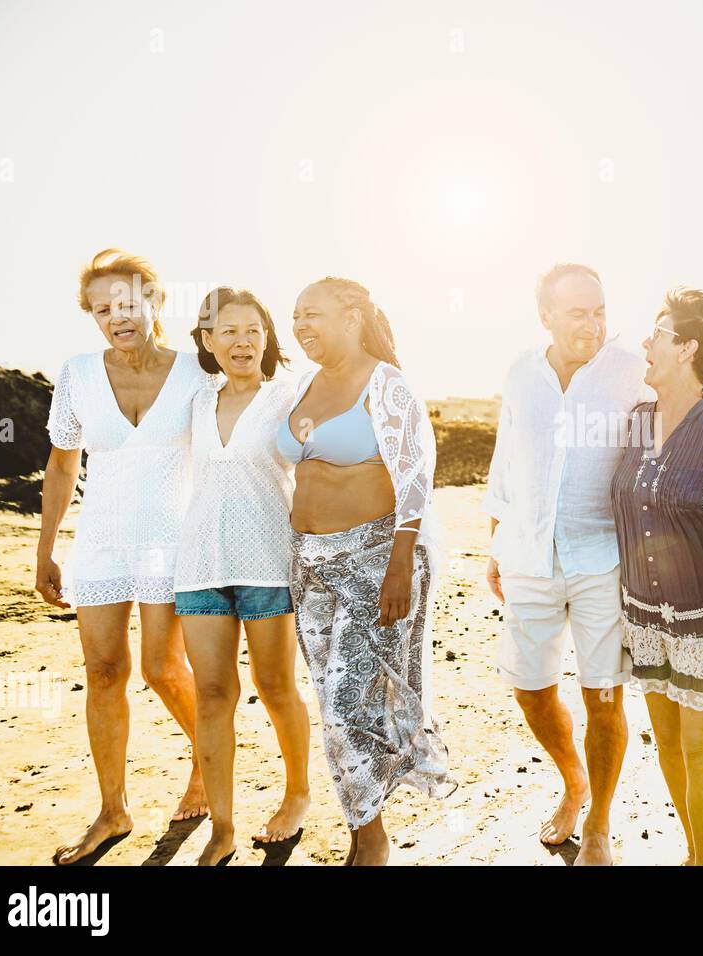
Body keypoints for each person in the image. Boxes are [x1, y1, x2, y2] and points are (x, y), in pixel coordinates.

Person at [37, 248, 218, 864]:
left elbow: (231, 449)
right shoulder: (78, 373)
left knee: (163, 670)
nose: (117, 316)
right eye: (102, 308)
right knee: (104, 672)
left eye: (128, 302)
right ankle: (113, 810)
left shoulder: (199, 372)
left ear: (156, 302)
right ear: (91, 316)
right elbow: (62, 465)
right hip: (101, 543)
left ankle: (207, 763)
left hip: (174, 541)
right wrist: (47, 549)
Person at [482, 263, 652, 865]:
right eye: (578, 312)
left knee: (604, 696)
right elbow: (507, 457)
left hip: (603, 557)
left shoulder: (633, 368)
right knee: (530, 689)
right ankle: (573, 780)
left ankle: (600, 821)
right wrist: (496, 541)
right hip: (528, 552)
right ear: (546, 316)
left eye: (600, 309)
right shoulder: (521, 373)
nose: (593, 323)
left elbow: (656, 452)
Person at [279, 276, 452, 866]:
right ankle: (362, 826)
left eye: (314, 314)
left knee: (352, 701)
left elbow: (415, 477)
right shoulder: (302, 385)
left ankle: (371, 839)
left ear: (353, 317)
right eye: (296, 315)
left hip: (376, 557)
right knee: (333, 700)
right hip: (309, 563)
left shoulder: (387, 385)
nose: (301, 325)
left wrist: (401, 565)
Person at [609, 288, 703, 866]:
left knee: (702, 747)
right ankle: (694, 852)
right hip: (641, 614)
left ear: (688, 346)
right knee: (666, 742)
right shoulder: (637, 421)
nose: (646, 341)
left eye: (658, 332)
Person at [173, 287, 311, 866]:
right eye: (227, 331)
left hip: (268, 563)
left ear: (267, 337)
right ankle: (223, 826)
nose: (242, 340)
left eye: (253, 329)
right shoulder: (196, 400)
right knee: (210, 694)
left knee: (277, 688)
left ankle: (298, 793)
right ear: (208, 342)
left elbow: (328, 455)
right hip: (200, 565)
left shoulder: (289, 395)